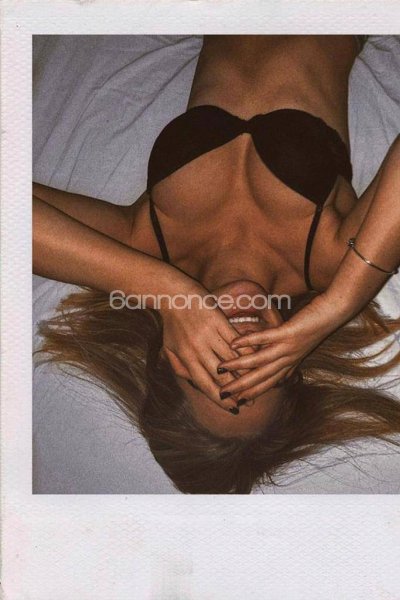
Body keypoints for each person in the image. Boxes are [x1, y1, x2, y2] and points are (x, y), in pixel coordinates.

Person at [33, 35, 400, 493]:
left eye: (215, 368)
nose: (240, 348)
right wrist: (341, 303)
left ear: (168, 356)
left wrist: (164, 290)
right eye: (261, 373)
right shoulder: (332, 261)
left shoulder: (146, 244)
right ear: (291, 365)